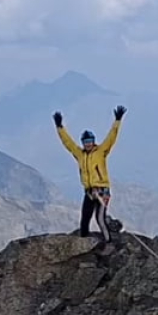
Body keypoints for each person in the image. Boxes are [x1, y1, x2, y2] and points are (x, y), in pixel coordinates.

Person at [53, 105, 126, 246]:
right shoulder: (80, 155)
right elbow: (68, 144)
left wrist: (117, 121)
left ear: (93, 141)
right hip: (89, 192)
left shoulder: (101, 151)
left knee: (100, 218)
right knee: (85, 217)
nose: (87, 144)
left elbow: (111, 138)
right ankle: (84, 243)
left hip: (102, 191)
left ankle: (109, 242)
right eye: (85, 142)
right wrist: (59, 127)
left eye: (89, 141)